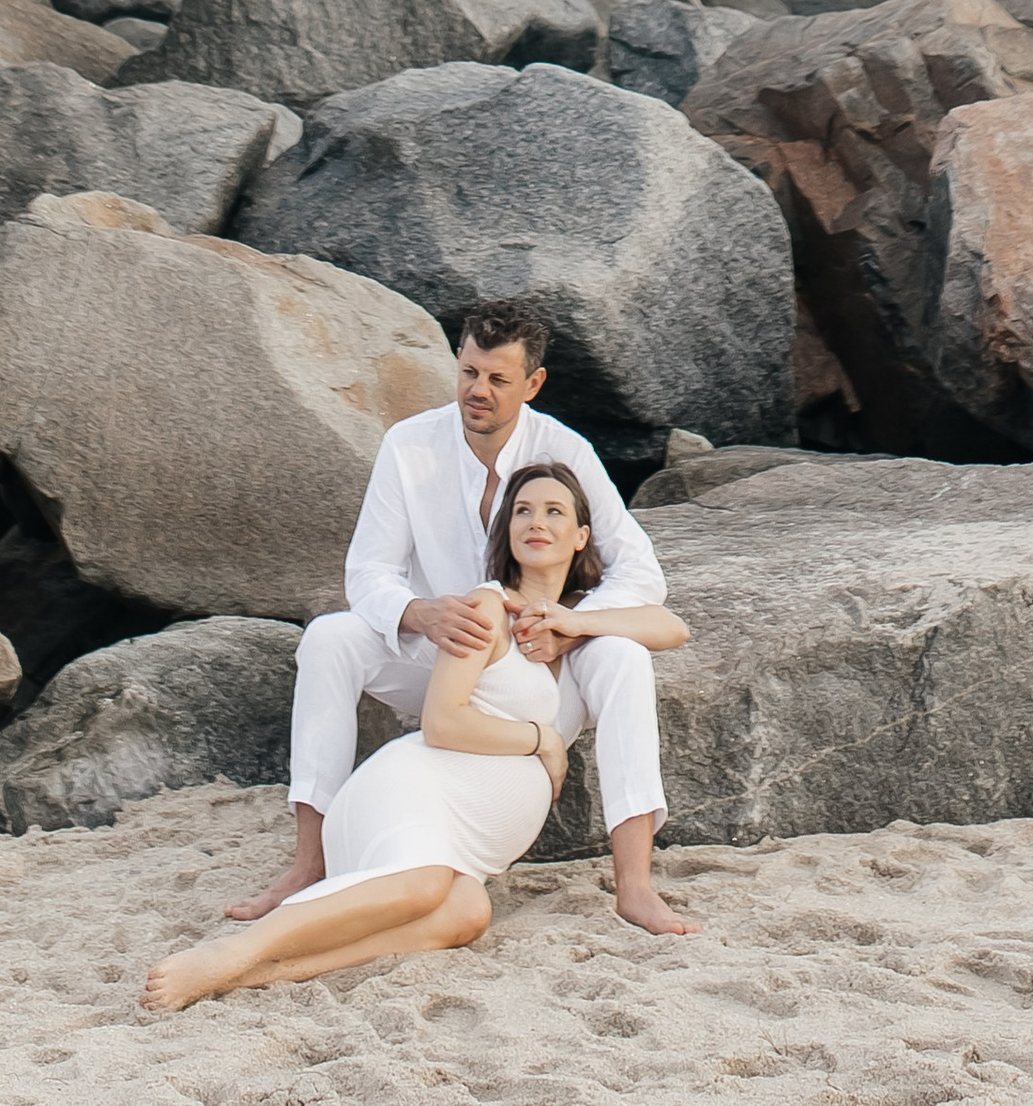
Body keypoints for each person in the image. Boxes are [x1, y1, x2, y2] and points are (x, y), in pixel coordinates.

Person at [229, 295, 697, 940]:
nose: (478, 390)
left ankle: (635, 886)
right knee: (330, 638)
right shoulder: (409, 444)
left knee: (623, 656)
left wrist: (566, 625)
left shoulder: (566, 451)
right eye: (469, 371)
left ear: (533, 383)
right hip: (441, 654)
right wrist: (419, 612)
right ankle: (310, 861)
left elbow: (641, 573)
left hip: (530, 670)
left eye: (498, 379)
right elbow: (368, 571)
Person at [144, 457, 688, 1009]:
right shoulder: (487, 608)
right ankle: (233, 952)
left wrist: (577, 623)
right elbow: (442, 721)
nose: (536, 522)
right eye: (522, 511)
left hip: (462, 843)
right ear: (507, 530)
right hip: (412, 793)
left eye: (554, 512)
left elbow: (671, 626)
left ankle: (255, 974)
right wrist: (540, 740)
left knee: (467, 913)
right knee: (426, 884)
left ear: (581, 537)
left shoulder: (583, 618)